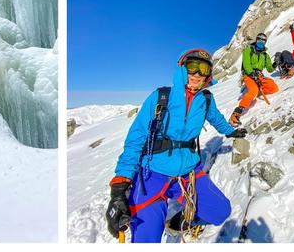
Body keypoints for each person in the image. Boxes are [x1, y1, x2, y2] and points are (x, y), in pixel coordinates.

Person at [105, 49, 246, 243]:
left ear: (208, 75)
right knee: (146, 241)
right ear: (182, 69)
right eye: (192, 67)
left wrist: (230, 131)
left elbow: (216, 119)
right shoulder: (160, 97)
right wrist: (120, 187)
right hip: (151, 175)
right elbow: (135, 140)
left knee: (221, 211)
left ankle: (179, 221)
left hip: (188, 173)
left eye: (203, 69)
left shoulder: (205, 100)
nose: (196, 74)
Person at [229, 33, 278, 126]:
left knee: (274, 88)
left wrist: (275, 64)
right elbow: (246, 64)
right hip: (248, 75)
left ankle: (259, 88)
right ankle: (236, 114)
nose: (261, 41)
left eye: (263, 40)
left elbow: (270, 69)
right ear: (256, 39)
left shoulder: (265, 55)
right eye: (259, 39)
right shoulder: (248, 50)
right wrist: (252, 74)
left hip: (259, 76)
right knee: (253, 90)